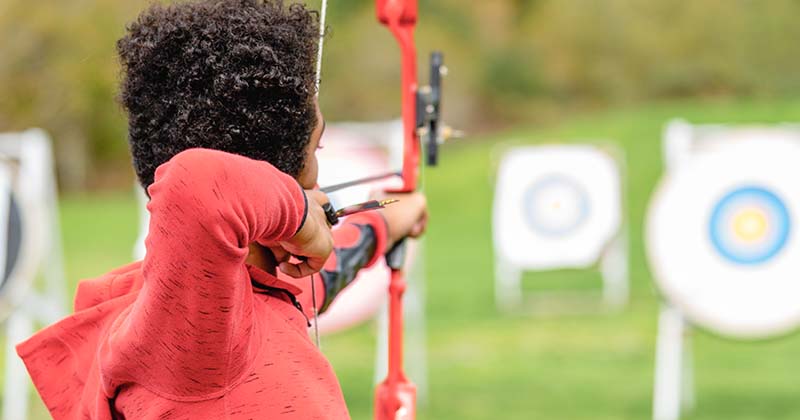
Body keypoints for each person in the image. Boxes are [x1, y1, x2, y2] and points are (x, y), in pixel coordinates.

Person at [16, 1, 428, 419]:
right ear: (274, 182)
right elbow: (195, 183)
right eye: (316, 147)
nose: (318, 177)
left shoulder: (229, 300)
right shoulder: (197, 334)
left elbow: (322, 275)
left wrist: (389, 221)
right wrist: (303, 221)